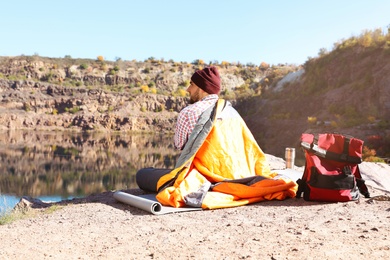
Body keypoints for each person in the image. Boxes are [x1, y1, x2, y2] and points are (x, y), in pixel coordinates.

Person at [136, 66, 297, 209]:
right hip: (238, 175)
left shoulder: (189, 112)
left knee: (143, 174)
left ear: (202, 88)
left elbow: (179, 145)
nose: (187, 89)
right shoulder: (232, 112)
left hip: (202, 176)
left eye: (191, 84)